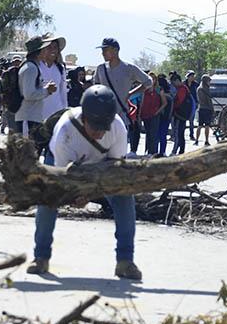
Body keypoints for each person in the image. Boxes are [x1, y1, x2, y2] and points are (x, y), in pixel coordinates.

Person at [27, 85, 142, 280]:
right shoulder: (65, 132)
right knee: (47, 200)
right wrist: (74, 196)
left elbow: (114, 168)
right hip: (64, 167)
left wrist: (90, 194)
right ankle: (41, 257)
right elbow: (64, 179)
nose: (100, 133)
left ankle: (125, 261)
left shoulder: (117, 128)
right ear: (84, 118)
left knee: (124, 197)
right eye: (95, 127)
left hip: (103, 166)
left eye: (103, 128)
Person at [92, 38, 152, 132]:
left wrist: (130, 93)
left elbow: (148, 82)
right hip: (103, 118)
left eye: (105, 50)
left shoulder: (128, 68)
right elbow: (95, 88)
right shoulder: (100, 69)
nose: (103, 53)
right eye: (102, 50)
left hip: (121, 118)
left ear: (115, 50)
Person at [15, 34, 59, 138]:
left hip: (31, 118)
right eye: (44, 48)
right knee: (26, 152)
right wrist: (47, 91)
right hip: (27, 119)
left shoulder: (32, 66)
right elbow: (29, 94)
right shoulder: (31, 68)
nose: (46, 51)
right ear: (39, 51)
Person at [39, 36, 68, 126]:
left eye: (55, 47)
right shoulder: (37, 66)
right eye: (49, 47)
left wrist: (64, 111)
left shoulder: (60, 68)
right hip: (39, 113)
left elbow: (63, 92)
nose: (52, 50)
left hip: (56, 113)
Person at [139, 71, 167, 155]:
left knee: (154, 134)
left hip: (155, 115)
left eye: (153, 79)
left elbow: (165, 103)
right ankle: (147, 151)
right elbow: (142, 102)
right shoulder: (144, 90)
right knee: (148, 134)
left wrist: (157, 111)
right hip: (145, 114)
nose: (151, 80)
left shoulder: (159, 89)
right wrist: (139, 115)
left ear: (155, 80)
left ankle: (153, 152)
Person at [170, 73, 192, 155]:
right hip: (182, 114)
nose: (173, 85)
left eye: (173, 83)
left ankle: (175, 151)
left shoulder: (182, 89)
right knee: (180, 134)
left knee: (178, 133)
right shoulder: (184, 88)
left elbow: (179, 102)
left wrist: (173, 106)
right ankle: (181, 151)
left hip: (180, 115)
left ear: (177, 81)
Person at [157, 75, 174, 156]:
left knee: (159, 135)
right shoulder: (170, 95)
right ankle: (162, 151)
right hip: (168, 117)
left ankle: (159, 152)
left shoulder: (162, 95)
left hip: (161, 117)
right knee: (163, 135)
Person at [195, 74, 214, 146]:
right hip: (207, 109)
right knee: (207, 126)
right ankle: (206, 140)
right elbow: (208, 101)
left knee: (199, 125)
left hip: (201, 109)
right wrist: (212, 109)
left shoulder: (199, 89)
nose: (210, 82)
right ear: (206, 81)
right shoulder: (205, 89)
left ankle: (197, 140)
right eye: (209, 81)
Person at [186, 70, 199, 140]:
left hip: (193, 104)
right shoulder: (184, 84)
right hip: (185, 104)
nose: (192, 77)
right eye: (191, 76)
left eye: (193, 76)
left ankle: (191, 134)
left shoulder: (196, 84)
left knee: (191, 120)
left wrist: (197, 102)